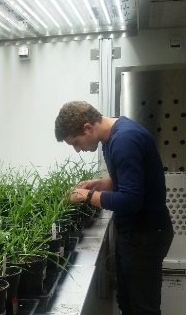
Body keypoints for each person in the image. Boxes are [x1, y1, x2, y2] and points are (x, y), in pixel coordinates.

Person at [54, 101, 174, 315]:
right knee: (127, 301)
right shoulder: (111, 139)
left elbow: (130, 200)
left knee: (142, 308)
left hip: (145, 236)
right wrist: (103, 183)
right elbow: (133, 180)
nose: (78, 150)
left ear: (87, 128)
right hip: (135, 234)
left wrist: (88, 195)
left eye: (76, 142)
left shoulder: (124, 141)